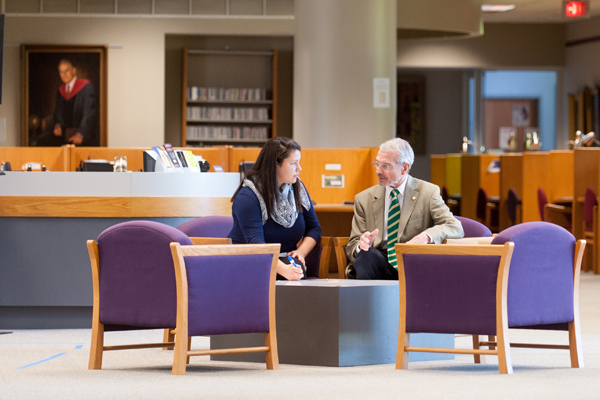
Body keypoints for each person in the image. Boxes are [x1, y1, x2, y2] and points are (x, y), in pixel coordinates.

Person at [346, 138, 463, 280]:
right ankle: (369, 302)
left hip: (413, 262)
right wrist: (361, 245)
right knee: (365, 256)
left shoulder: (428, 192)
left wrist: (426, 236)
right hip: (377, 261)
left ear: (404, 168)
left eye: (385, 166)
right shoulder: (364, 199)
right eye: (377, 163)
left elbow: (455, 227)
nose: (378, 170)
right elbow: (352, 246)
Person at [228, 137, 322, 281]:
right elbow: (256, 244)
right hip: (250, 262)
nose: (299, 168)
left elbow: (314, 228)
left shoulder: (297, 187)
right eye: (293, 163)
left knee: (297, 270)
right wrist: (284, 269)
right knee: (293, 276)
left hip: (285, 260)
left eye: (299, 162)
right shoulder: (248, 196)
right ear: (275, 165)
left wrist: (300, 253)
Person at [51, 59, 98, 146]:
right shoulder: (61, 90)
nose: (64, 74)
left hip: (83, 138)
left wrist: (81, 134)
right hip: (65, 137)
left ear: (74, 71)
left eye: (66, 71)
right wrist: (58, 125)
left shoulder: (86, 87)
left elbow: (89, 113)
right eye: (61, 72)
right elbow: (58, 112)